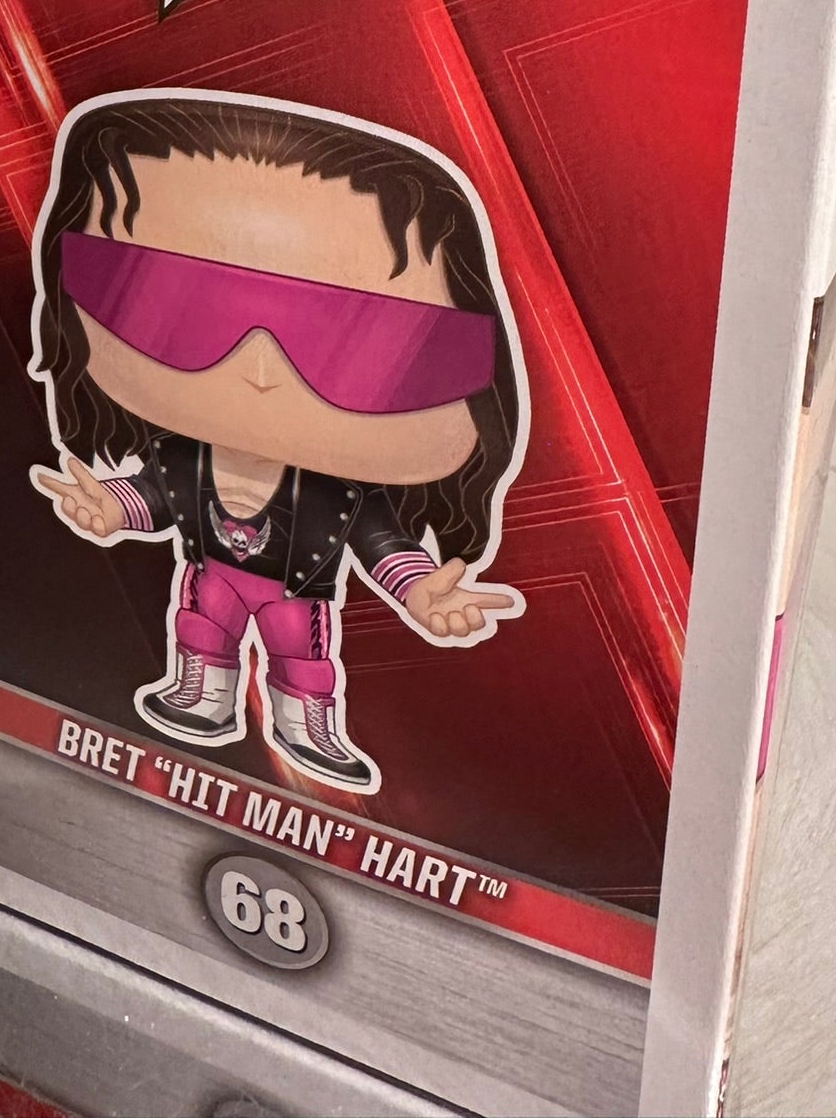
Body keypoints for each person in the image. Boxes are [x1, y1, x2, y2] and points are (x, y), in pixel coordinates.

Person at [29, 90, 527, 793]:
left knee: (302, 657)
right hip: (212, 578)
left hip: (299, 594)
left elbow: (381, 543)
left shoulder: (338, 491)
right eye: (176, 307)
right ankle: (200, 692)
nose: (260, 374)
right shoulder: (187, 458)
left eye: (365, 348)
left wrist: (421, 592)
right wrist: (107, 507)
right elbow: (152, 495)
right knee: (202, 628)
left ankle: (304, 722)